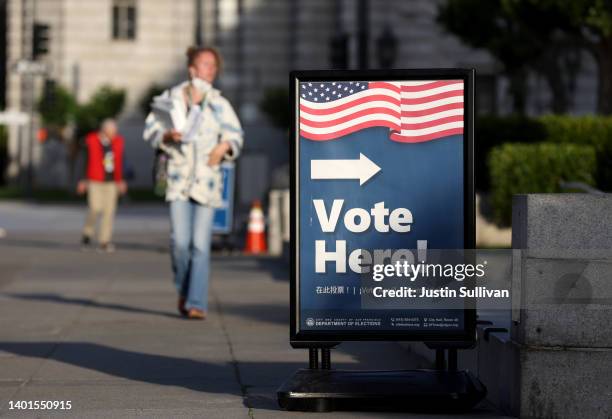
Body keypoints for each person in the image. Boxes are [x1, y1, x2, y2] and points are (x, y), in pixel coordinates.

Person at [143, 46, 243, 320]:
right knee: (180, 243)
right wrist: (166, 136)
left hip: (207, 183)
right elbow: (150, 128)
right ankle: (184, 289)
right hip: (178, 181)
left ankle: (196, 302)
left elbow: (236, 135)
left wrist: (223, 147)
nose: (210, 70)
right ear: (192, 68)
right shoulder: (171, 98)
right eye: (205, 64)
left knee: (200, 244)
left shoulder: (219, 103)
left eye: (213, 66)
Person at [78, 118, 128, 252]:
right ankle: (87, 233)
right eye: (112, 131)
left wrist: (121, 180)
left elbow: (121, 161)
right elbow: (84, 160)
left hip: (111, 181)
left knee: (109, 211)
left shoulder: (118, 142)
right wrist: (83, 180)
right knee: (95, 208)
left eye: (115, 131)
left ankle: (104, 241)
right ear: (104, 130)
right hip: (94, 180)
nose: (114, 134)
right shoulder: (91, 140)